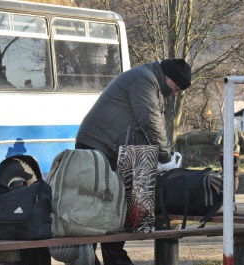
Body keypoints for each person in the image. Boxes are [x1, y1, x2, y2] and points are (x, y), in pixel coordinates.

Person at [75, 58, 192, 265]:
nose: (176, 93)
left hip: (107, 148)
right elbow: (150, 122)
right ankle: (100, 259)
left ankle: (100, 259)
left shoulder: (151, 81)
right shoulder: (144, 80)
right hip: (98, 147)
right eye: (177, 87)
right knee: (102, 208)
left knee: (109, 208)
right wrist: (166, 157)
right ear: (169, 77)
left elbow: (152, 125)